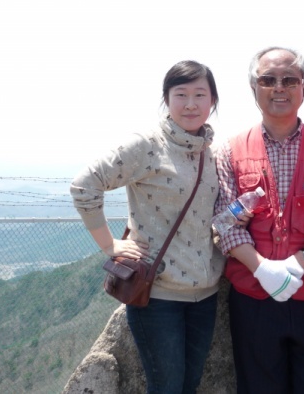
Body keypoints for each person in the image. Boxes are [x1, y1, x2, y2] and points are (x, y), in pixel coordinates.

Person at [70, 60, 224, 394]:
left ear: (213, 100)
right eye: (181, 94)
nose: (191, 104)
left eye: (200, 94)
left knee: (190, 385)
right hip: (158, 294)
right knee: (166, 387)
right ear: (166, 99)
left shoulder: (210, 153)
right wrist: (109, 245)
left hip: (206, 292)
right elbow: (84, 185)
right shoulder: (147, 145)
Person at [214, 46, 304, 394]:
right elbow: (225, 221)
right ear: (253, 87)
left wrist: (299, 262)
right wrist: (262, 269)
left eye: (290, 79)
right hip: (253, 299)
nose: (279, 88)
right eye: (268, 80)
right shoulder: (231, 151)